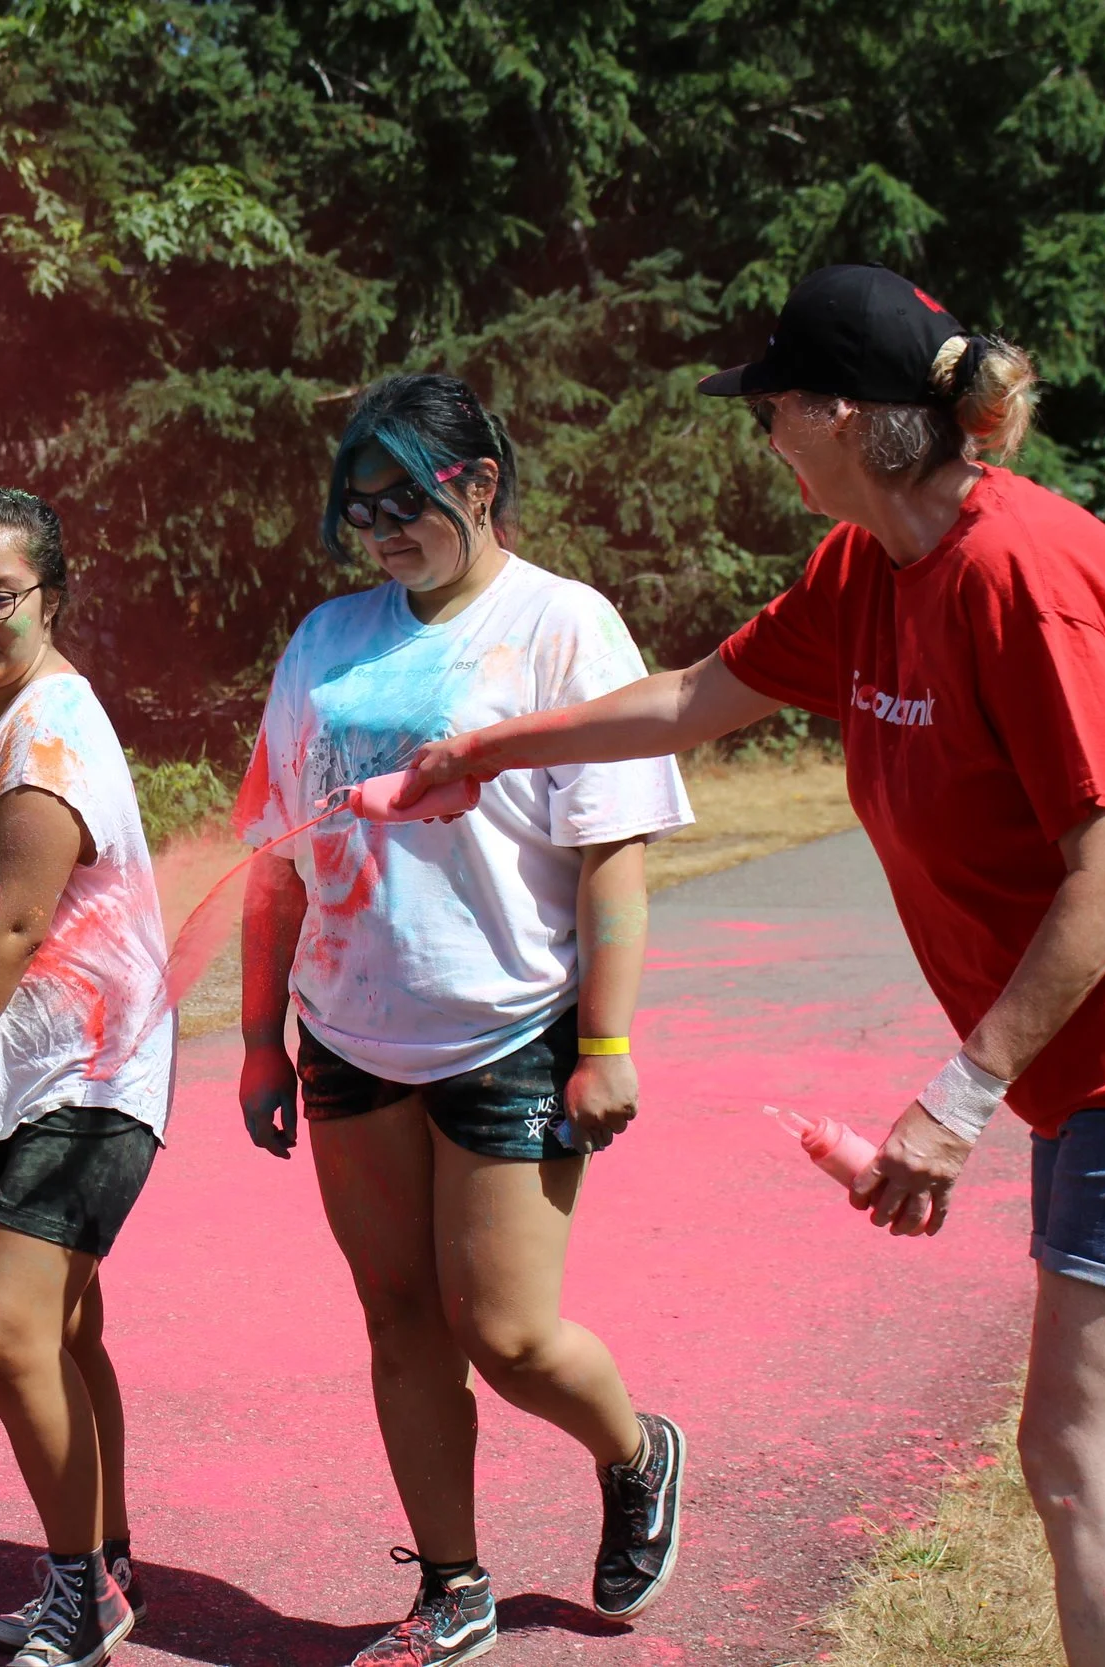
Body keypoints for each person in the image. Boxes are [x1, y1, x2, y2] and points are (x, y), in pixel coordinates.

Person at [402, 265, 1105, 1667]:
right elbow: (696, 696)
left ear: (842, 412)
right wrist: (483, 751)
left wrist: (951, 1108)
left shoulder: (1029, 575)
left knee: (1085, 1459)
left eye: (772, 407)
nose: (763, 433)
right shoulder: (871, 563)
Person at [237, 373, 696, 1661]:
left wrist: (605, 1041)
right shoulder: (327, 640)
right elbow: (276, 851)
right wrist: (255, 1037)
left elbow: (611, 851)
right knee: (396, 1315)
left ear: (478, 484)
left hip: (510, 1030)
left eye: (404, 499)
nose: (380, 528)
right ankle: (451, 1583)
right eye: (358, 506)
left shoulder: (563, 625)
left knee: (505, 1330)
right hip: (344, 1029)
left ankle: (636, 1444)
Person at [0, 488, 173, 1667]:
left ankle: (77, 1591)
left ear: (50, 593)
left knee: (5, 1328)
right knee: (60, 1327)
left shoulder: (49, 724)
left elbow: (11, 924)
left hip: (85, 1066)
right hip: (13, 1072)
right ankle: (103, 1565)